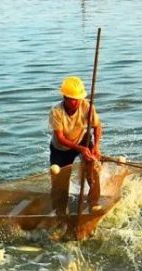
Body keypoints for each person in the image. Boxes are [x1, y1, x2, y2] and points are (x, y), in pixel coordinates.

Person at [49, 75, 103, 221]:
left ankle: (93, 202)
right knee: (60, 180)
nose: (77, 102)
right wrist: (79, 149)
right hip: (61, 147)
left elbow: (97, 127)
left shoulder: (87, 106)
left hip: (83, 140)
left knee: (92, 169)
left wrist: (95, 148)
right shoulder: (56, 112)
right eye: (74, 99)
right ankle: (60, 211)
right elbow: (60, 138)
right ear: (65, 98)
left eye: (79, 98)